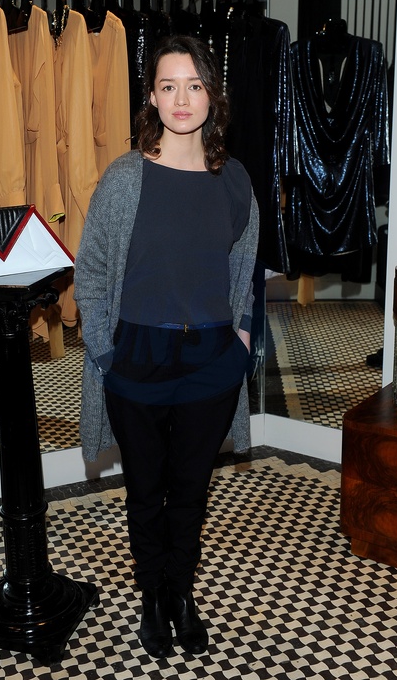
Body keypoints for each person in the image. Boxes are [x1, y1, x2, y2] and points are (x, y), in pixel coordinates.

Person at [74, 35, 259, 659]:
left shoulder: (234, 179)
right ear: (152, 97)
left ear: (212, 95)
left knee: (190, 491)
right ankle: (152, 595)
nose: (182, 99)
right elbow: (91, 269)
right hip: (137, 358)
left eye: (195, 85)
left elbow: (244, 267)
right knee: (145, 490)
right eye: (169, 86)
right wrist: (105, 352)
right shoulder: (125, 177)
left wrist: (240, 338)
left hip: (211, 361)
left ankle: (181, 593)